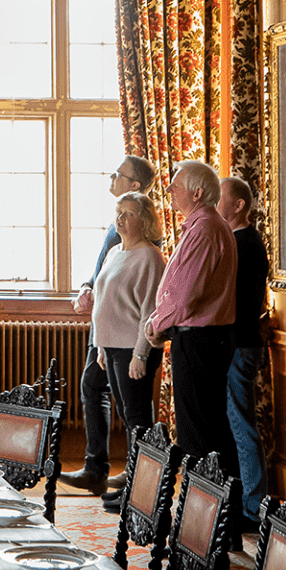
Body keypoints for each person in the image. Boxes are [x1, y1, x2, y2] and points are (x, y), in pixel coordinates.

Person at [61, 154, 155, 497]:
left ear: (135, 185)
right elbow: (104, 271)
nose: (111, 176)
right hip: (106, 334)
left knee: (132, 406)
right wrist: (87, 287)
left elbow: (145, 301)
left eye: (119, 174)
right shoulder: (119, 225)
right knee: (94, 387)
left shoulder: (142, 236)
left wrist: (140, 353)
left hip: (127, 337)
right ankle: (98, 468)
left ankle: (133, 476)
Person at [145, 160, 238, 468]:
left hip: (200, 341)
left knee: (198, 437)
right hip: (204, 340)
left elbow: (184, 297)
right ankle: (215, 512)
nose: (169, 189)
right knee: (207, 430)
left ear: (197, 193)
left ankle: (207, 513)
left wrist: (156, 324)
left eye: (176, 184)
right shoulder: (206, 226)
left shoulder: (205, 229)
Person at [91, 192, 167, 512]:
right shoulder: (113, 252)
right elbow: (102, 302)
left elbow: (150, 311)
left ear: (145, 219)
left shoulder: (150, 257)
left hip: (133, 350)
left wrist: (140, 354)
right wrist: (100, 345)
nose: (120, 218)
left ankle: (143, 494)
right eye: (118, 212)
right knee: (128, 418)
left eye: (129, 213)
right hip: (112, 348)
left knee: (138, 421)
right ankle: (134, 487)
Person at [217, 175, 271, 532]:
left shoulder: (245, 242)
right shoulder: (239, 241)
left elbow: (239, 302)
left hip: (240, 344)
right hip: (238, 343)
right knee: (234, 423)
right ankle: (242, 501)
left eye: (219, 198)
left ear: (238, 206)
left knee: (240, 424)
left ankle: (253, 509)